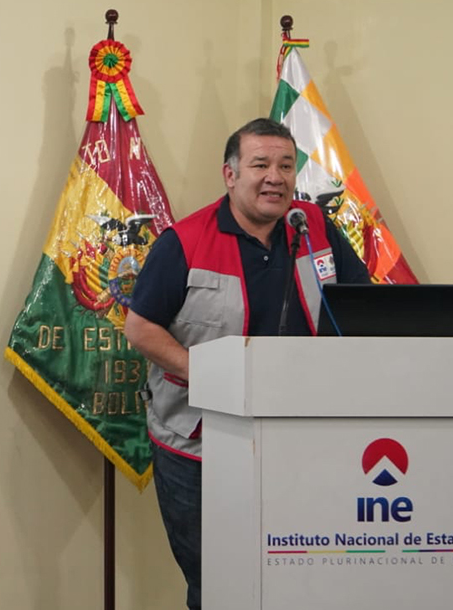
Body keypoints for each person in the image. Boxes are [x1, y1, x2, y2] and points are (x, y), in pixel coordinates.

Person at [124, 118, 371, 610]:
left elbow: (361, 307)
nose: (274, 177)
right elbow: (140, 328)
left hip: (300, 439)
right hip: (200, 447)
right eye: (260, 164)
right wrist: (214, 374)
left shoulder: (315, 227)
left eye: (285, 165)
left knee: (298, 581)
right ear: (230, 174)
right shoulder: (185, 242)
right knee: (219, 585)